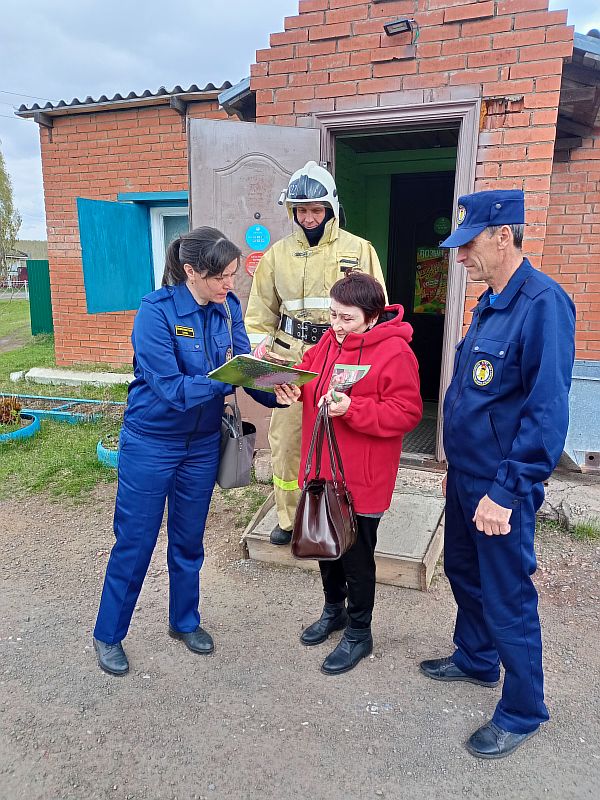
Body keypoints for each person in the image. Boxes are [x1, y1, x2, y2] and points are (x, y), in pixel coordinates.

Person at [93, 227, 291, 676]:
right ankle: (109, 634)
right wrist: (231, 378)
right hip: (151, 444)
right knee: (136, 542)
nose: (230, 285)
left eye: (233, 276)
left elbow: (244, 367)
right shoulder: (156, 313)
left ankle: (184, 621)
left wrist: (273, 389)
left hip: (202, 446)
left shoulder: (228, 310)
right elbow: (171, 390)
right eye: (221, 277)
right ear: (191, 272)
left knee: (188, 541)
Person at [419, 190, 576, 759]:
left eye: (470, 245)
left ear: (503, 235)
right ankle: (478, 659)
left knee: (506, 593)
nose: (461, 258)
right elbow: (473, 393)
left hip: (500, 486)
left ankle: (523, 709)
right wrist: (455, 465)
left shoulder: (543, 304)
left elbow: (546, 410)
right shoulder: (490, 302)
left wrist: (508, 490)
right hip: (466, 475)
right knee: (463, 571)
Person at [274, 272, 422, 675]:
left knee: (356, 556)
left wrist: (353, 410)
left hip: (363, 476)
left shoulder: (395, 353)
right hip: (323, 466)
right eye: (333, 316)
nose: (336, 326)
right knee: (324, 544)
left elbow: (407, 412)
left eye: (347, 319)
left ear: (372, 317)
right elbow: (308, 377)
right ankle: (333, 611)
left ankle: (360, 632)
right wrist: (287, 386)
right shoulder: (327, 341)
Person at [245, 161, 388, 546]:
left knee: (341, 437)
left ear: (331, 209)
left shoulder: (359, 250)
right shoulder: (276, 256)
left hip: (342, 359)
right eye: (301, 210)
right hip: (290, 359)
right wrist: (262, 355)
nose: (308, 218)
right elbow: (259, 314)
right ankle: (291, 517)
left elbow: (377, 310)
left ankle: (346, 513)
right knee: (288, 441)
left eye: (316, 210)